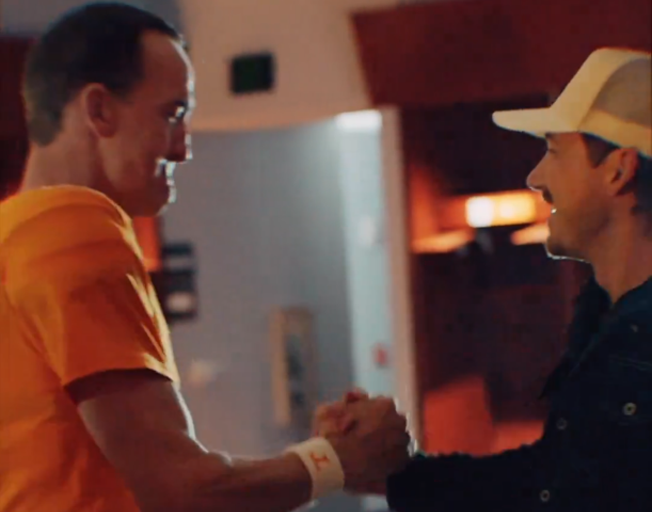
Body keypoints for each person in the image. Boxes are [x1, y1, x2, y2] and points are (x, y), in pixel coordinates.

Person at [0, 3, 411, 512]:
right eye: (172, 114)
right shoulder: (75, 230)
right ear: (100, 110)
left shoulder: (13, 236)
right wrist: (339, 460)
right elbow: (183, 491)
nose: (183, 148)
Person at [320, 47, 652, 511]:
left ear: (619, 170)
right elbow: (545, 480)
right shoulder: (605, 318)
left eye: (555, 150)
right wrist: (382, 469)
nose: (537, 176)